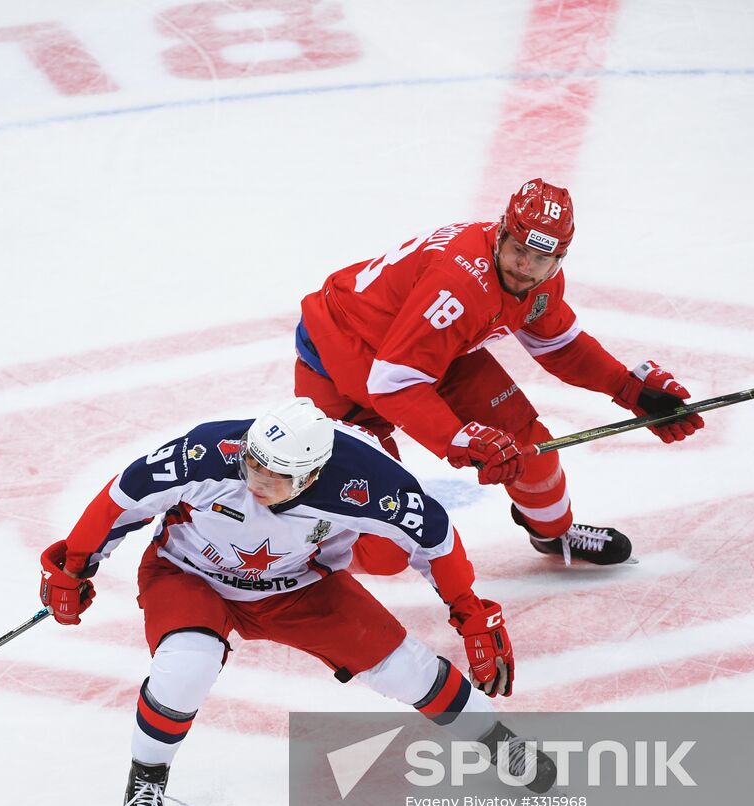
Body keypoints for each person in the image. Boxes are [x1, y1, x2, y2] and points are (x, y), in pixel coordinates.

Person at [38, 397, 553, 806]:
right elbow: (121, 499)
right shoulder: (208, 453)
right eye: (254, 464)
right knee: (186, 666)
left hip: (299, 588)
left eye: (275, 476)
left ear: (313, 474)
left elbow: (435, 538)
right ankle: (147, 777)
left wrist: (471, 614)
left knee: (406, 671)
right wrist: (75, 564)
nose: (256, 480)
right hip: (189, 574)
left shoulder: (369, 483)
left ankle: (496, 738)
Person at [293, 178, 704, 567]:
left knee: (530, 450)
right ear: (502, 233)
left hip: (429, 351)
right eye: (518, 251)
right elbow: (392, 383)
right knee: (386, 549)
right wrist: (460, 440)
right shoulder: (459, 283)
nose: (525, 267)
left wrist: (630, 389)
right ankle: (295, 558)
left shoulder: (542, 281)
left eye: (541, 258)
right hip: (339, 360)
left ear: (559, 259)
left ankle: (552, 533)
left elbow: (558, 345)